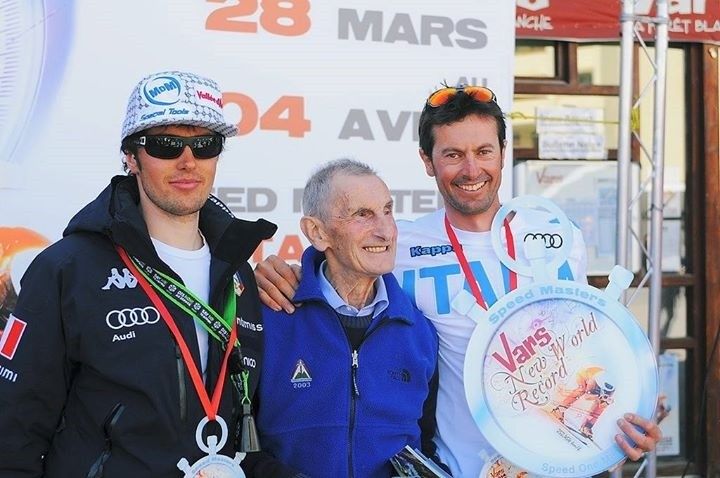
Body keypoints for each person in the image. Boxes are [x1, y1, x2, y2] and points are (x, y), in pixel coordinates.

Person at [254, 84, 662, 477]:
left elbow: (588, 347)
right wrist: (271, 275)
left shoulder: (559, 237)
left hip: (558, 464)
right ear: (427, 161)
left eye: (484, 151)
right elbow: (335, 260)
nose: (471, 170)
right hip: (464, 468)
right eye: (453, 154)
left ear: (503, 153)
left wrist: (627, 411)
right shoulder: (401, 246)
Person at [0, 70, 278, 477]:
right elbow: (15, 430)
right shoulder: (68, 269)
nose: (188, 161)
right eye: (166, 145)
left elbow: (247, 429)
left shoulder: (239, 273)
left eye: (205, 145)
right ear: (131, 157)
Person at [243, 159, 441, 477]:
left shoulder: (419, 332)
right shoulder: (269, 317)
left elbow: (428, 446)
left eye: (387, 211)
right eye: (363, 215)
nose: (386, 231)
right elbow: (234, 442)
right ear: (317, 232)